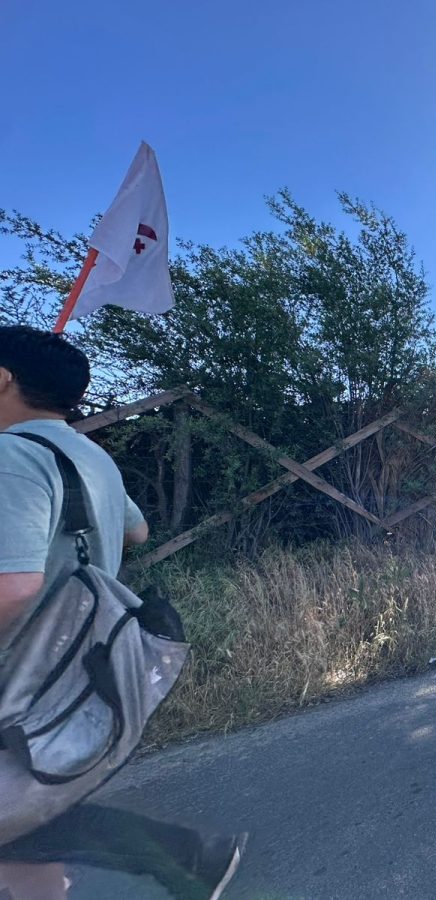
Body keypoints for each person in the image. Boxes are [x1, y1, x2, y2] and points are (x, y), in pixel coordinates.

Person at [0, 326, 245, 900]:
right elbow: (137, 529)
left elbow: (12, 588)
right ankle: (189, 856)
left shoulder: (12, 455)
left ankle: (187, 855)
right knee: (25, 821)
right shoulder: (91, 456)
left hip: (19, 666)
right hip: (83, 664)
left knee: (22, 819)